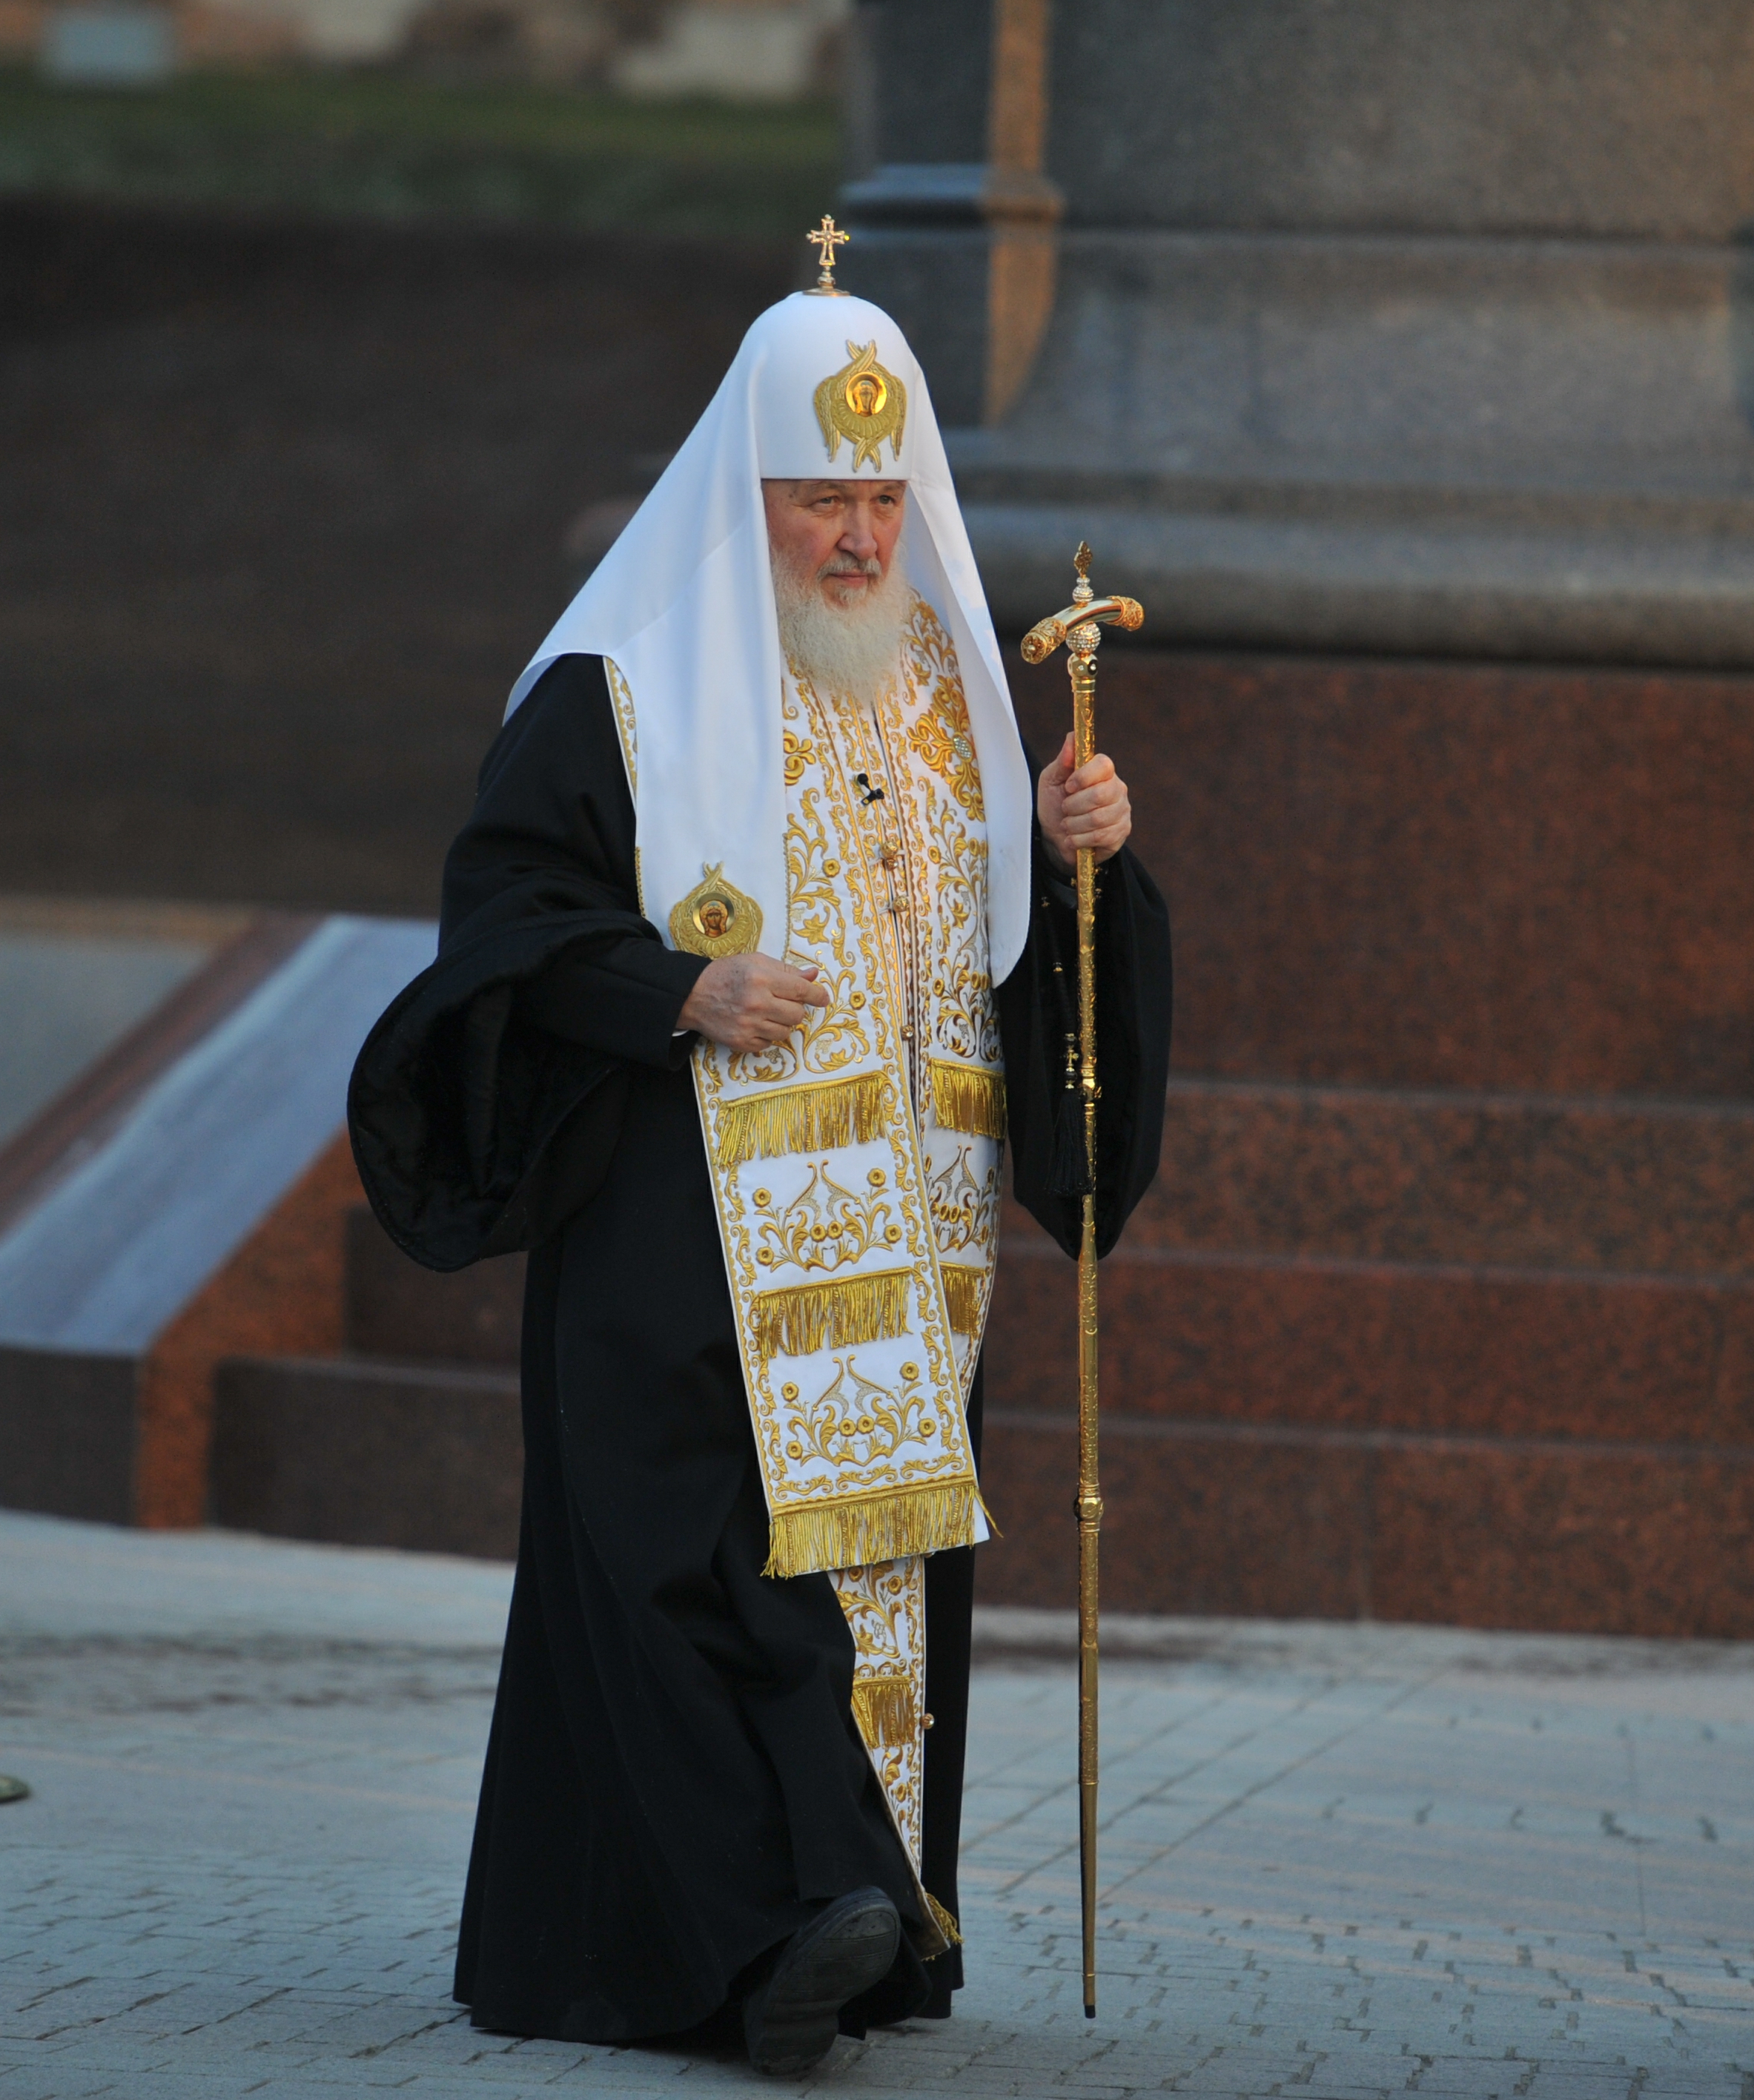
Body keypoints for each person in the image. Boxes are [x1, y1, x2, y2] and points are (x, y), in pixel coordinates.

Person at [347, 270, 1171, 2074]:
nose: (860, 537)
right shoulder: (618, 683)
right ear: (749, 492)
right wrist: (677, 986)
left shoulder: (958, 689)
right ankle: (765, 1939)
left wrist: (1087, 862)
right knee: (697, 1570)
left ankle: (843, 1929)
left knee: (846, 1578)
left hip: (909, 1247)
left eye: (883, 501)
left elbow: (1030, 973)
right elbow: (505, 921)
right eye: (822, 498)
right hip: (678, 1227)